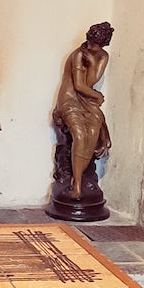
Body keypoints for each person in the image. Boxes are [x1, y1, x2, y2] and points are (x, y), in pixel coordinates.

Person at [52, 22, 114, 199]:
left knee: (93, 133)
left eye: (96, 46)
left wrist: (93, 60)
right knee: (79, 136)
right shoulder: (78, 54)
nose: (90, 48)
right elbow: (79, 85)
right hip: (70, 99)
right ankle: (77, 185)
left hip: (87, 100)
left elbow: (90, 82)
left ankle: (80, 178)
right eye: (90, 43)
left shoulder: (102, 56)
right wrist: (97, 96)